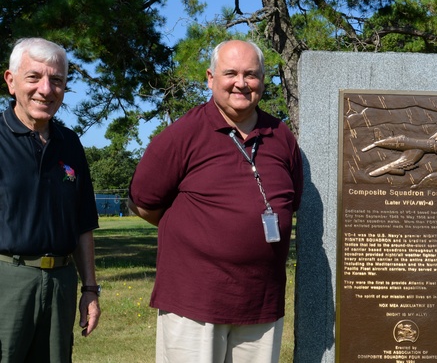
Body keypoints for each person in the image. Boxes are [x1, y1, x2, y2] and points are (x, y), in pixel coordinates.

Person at [128, 39, 304, 362]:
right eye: (231, 73)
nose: (241, 83)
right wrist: (197, 231)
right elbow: (142, 202)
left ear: (263, 80)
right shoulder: (183, 135)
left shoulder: (282, 138)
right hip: (194, 305)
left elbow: (290, 204)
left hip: (261, 305)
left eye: (251, 74)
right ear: (210, 78)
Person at [0, 38, 101, 362]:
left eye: (56, 80)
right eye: (34, 77)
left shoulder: (69, 143)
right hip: (7, 281)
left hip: (60, 283)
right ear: (10, 81)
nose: (46, 89)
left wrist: (89, 290)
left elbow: (83, 224)